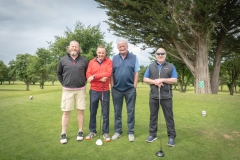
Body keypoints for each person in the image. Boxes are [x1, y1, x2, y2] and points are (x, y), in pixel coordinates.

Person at [143, 48, 178, 147]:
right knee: (153, 116)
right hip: (154, 96)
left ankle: (171, 137)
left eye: (162, 53)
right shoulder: (150, 66)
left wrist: (162, 79)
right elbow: (145, 78)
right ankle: (152, 135)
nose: (160, 55)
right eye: (158, 54)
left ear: (165, 55)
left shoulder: (171, 66)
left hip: (166, 96)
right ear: (155, 55)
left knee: (169, 117)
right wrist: (155, 81)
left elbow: (175, 80)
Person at [57, 40, 88, 144]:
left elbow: (87, 74)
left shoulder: (84, 60)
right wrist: (64, 83)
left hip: (80, 90)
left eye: (76, 46)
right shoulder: (63, 60)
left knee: (80, 111)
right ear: (69, 48)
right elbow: (59, 73)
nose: (74, 48)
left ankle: (80, 131)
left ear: (79, 48)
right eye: (72, 46)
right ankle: (63, 133)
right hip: (67, 90)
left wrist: (83, 82)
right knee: (66, 112)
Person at [111, 38, 140, 142]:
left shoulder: (134, 57)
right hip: (117, 89)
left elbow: (136, 72)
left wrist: (134, 86)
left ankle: (130, 132)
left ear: (127, 47)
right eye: (120, 47)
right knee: (117, 111)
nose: (122, 48)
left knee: (130, 111)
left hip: (130, 89)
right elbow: (111, 73)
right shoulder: (113, 58)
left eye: (123, 46)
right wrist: (112, 85)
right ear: (117, 48)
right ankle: (118, 131)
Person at [85, 45, 112, 142]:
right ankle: (92, 131)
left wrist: (94, 76)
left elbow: (108, 73)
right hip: (94, 90)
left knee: (105, 113)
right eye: (99, 52)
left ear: (105, 53)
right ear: (97, 52)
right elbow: (88, 75)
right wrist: (99, 78)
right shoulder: (91, 62)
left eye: (103, 53)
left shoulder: (109, 62)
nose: (101, 54)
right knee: (93, 112)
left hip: (105, 90)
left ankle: (105, 132)